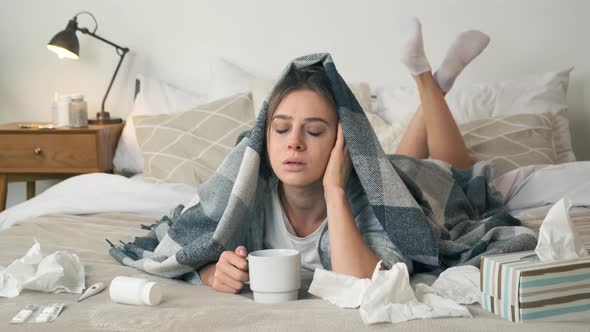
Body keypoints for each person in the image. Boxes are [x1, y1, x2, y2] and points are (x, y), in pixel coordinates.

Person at [198, 17, 491, 294]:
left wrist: (334, 190)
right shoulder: (246, 194)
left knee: (452, 170)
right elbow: (184, 243)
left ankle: (428, 80)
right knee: (392, 166)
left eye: (313, 131)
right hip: (389, 171)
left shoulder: (364, 196)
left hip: (413, 182)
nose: (294, 143)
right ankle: (433, 81)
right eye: (282, 129)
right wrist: (211, 272)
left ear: (343, 140)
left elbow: (369, 283)